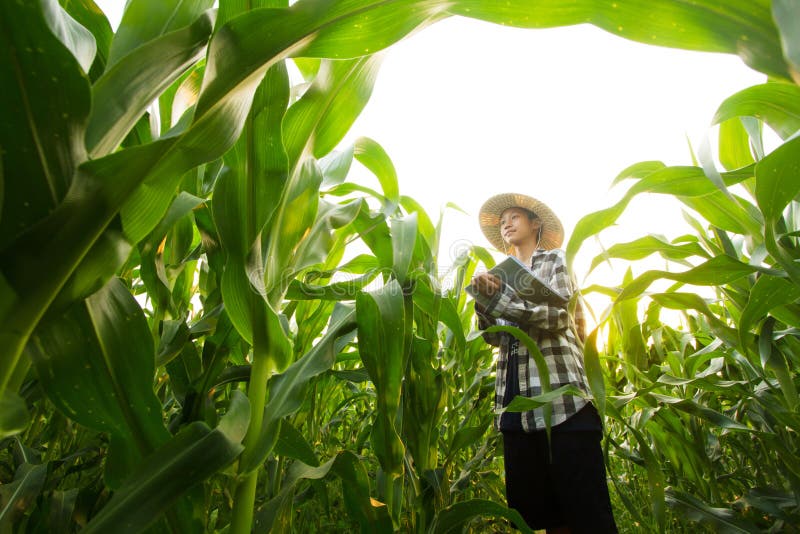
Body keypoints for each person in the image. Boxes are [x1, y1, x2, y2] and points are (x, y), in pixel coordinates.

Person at [469, 193, 617, 534]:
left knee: (588, 515)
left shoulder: (554, 262)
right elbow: (495, 338)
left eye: (515, 216)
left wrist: (500, 300)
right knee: (546, 519)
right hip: (517, 409)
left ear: (535, 223)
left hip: (564, 403)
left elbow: (556, 317)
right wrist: (483, 303)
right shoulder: (497, 276)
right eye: (503, 219)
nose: (506, 223)